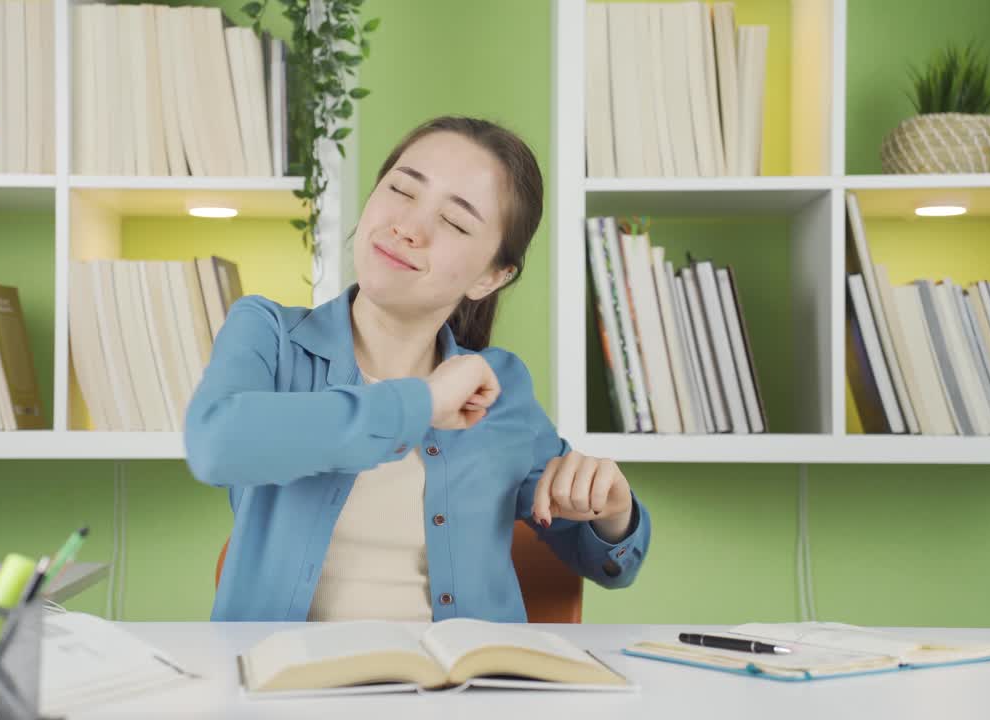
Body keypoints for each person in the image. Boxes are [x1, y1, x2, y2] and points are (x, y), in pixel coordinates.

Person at [185, 115, 651, 622]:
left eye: (454, 222)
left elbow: (603, 558)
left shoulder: (502, 388)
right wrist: (424, 401)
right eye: (402, 191)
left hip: (464, 693)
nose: (407, 228)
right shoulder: (268, 334)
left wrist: (614, 510)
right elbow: (218, 446)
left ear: (492, 276)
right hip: (287, 690)